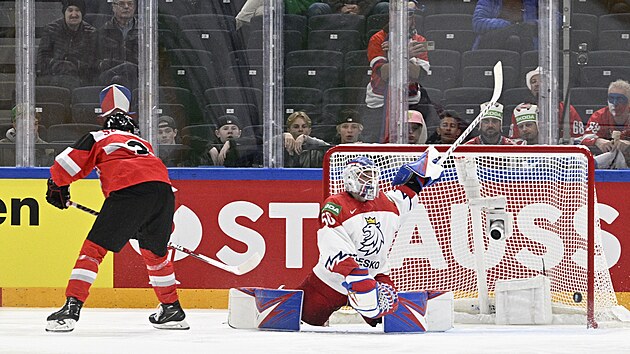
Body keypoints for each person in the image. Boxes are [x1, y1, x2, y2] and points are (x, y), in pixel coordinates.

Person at [44, 84, 189, 332]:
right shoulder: (144, 144)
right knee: (155, 254)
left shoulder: (98, 137)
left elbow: (64, 165)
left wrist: (57, 187)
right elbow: (146, 178)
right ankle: (172, 309)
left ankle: (71, 307)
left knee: (93, 250)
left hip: (129, 192)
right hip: (163, 192)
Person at [297, 149, 443, 326]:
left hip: (375, 278)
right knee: (306, 318)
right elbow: (331, 242)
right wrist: (353, 273)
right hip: (330, 282)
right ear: (350, 179)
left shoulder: (387, 203)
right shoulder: (335, 204)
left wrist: (420, 176)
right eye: (364, 176)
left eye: (373, 176)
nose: (370, 181)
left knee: (394, 321)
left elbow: (407, 194)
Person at [365, 0, 434, 143]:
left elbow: (418, 75)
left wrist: (401, 53)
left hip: (410, 98)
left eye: (410, 15)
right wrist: (404, 53)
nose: (405, 18)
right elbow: (384, 73)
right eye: (401, 13)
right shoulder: (377, 39)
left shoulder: (419, 40)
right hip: (379, 100)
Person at [508, 67, 584, 141]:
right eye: (533, 82)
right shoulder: (521, 110)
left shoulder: (566, 109)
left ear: (550, 86)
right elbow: (515, 141)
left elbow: (579, 138)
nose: (536, 84)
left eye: (541, 81)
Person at [36, 0, 98, 88]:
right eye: (70, 10)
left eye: (77, 10)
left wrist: (73, 65)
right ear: (64, 12)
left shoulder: (91, 33)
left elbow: (92, 64)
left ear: (82, 13)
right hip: (54, 79)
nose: (74, 14)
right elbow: (42, 60)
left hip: (80, 80)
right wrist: (61, 65)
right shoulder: (50, 30)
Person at [577, 79, 630, 169]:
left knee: (617, 153)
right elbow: (583, 138)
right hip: (607, 166)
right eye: (611, 98)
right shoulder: (599, 116)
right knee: (614, 153)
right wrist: (597, 141)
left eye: (620, 99)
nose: (615, 103)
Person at [97, 0, 139, 89]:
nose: (126, 7)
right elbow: (97, 62)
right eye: (121, 3)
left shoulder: (144, 32)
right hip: (109, 80)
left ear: (135, 7)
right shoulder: (102, 32)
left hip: (137, 79)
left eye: (130, 4)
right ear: (113, 7)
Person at [472, 0, 538, 52]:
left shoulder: (535, 2)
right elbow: (478, 23)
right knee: (514, 38)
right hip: (494, 46)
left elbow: (547, 22)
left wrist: (532, 24)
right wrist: (510, 26)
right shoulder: (489, 1)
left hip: (529, 47)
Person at [235, 0, 318, 30]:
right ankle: (239, 21)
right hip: (278, 9)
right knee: (261, 11)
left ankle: (237, 22)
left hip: (295, 7)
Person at [307, 0, 389, 17]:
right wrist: (340, 8)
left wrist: (361, 9)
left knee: (385, 7)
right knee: (317, 8)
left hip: (366, 12)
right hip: (335, 12)